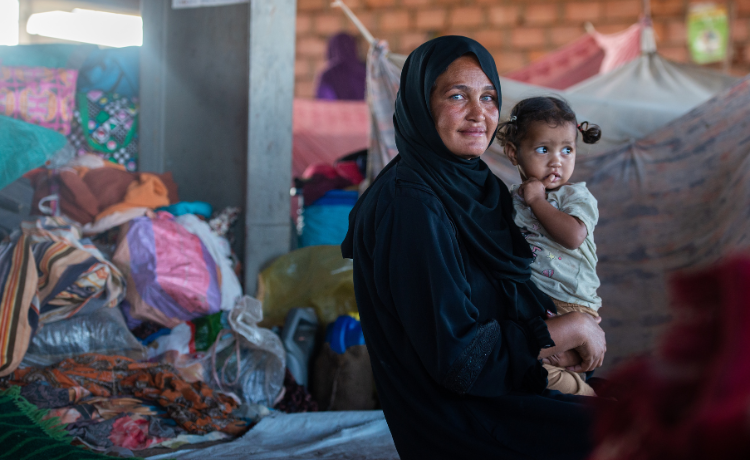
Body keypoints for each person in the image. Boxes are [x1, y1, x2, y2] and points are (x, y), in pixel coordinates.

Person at [341, 36, 608, 460]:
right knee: (634, 437)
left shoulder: (473, 185)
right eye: (456, 96)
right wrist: (570, 329)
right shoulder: (410, 205)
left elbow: (508, 296)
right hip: (461, 420)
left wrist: (566, 327)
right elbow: (460, 361)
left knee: (653, 407)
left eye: (487, 97)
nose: (478, 113)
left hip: (508, 383)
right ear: (419, 104)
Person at [497, 97, 604, 397]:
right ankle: (583, 389)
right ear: (513, 153)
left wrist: (537, 201)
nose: (557, 160)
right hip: (538, 304)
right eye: (544, 149)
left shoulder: (575, 197)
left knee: (534, 363)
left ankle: (590, 400)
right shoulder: (511, 198)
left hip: (571, 303)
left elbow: (573, 236)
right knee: (532, 368)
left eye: (566, 150)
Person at [315, 33, 366, 101]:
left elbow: (324, 103)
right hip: (363, 111)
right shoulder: (364, 72)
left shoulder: (327, 75)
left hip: (334, 111)